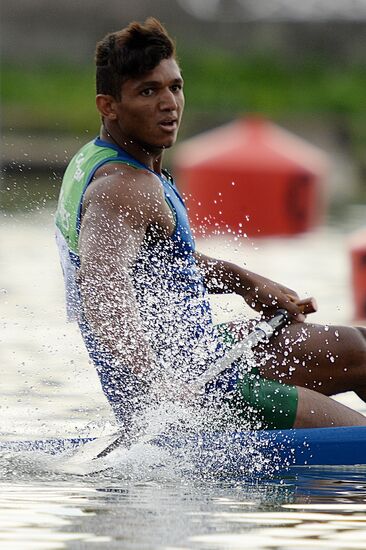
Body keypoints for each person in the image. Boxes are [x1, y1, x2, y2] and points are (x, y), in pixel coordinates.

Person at [55, 17, 366, 435]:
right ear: (108, 106)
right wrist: (160, 387)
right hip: (193, 392)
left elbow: (158, 261)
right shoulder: (124, 188)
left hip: (201, 352)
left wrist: (248, 283)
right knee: (354, 441)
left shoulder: (99, 160)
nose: (169, 103)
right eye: (148, 91)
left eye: (175, 87)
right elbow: (102, 290)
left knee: (358, 348)